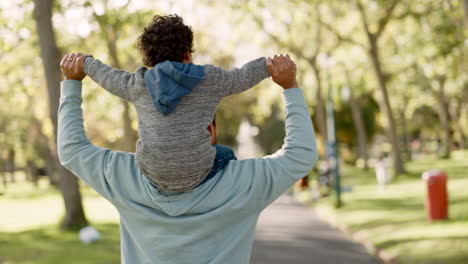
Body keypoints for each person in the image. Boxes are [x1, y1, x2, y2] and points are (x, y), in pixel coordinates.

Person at [58, 53, 318, 263]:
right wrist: (289, 87)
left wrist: (72, 84)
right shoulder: (244, 183)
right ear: (209, 131)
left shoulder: (124, 178)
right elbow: (300, 155)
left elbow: (72, 150)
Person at [79, 14, 270, 192]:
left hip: (154, 174)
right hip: (197, 173)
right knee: (226, 154)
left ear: (150, 60)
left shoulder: (138, 84)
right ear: (187, 54)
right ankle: (218, 200)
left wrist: (85, 62)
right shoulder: (209, 79)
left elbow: (107, 75)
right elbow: (242, 77)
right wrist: (268, 64)